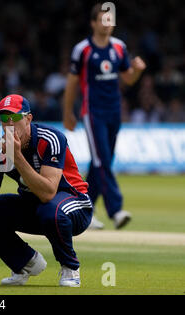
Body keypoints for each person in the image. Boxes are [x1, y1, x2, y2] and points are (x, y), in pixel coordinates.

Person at [0, 94, 92, 288]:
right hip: (37, 207)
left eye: (15, 118)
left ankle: (70, 266)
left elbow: (48, 192)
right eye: (3, 119)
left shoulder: (50, 139)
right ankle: (25, 263)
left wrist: (17, 158)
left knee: (51, 210)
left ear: (28, 118)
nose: (10, 125)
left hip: (75, 206)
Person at [63, 3, 146, 230]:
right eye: (103, 20)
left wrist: (137, 70)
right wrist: (67, 112)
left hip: (114, 111)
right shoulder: (83, 50)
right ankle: (116, 210)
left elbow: (128, 78)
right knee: (102, 160)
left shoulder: (119, 47)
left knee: (102, 161)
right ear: (93, 23)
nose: (107, 24)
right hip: (93, 112)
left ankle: (83, 210)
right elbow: (72, 83)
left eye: (110, 20)